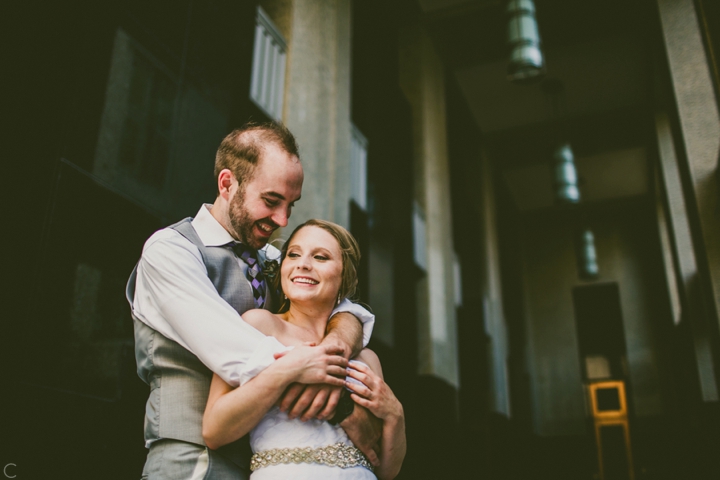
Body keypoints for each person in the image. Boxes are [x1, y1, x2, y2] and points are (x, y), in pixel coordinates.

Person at [126, 122, 380, 479]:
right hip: (192, 460)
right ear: (227, 183)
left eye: (291, 205)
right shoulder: (170, 251)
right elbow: (239, 352)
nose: (281, 220)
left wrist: (337, 344)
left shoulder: (273, 260)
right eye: (271, 201)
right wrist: (342, 406)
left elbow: (346, 308)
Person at [203, 219, 406, 479]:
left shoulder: (366, 357)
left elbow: (387, 470)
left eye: (320, 257)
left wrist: (395, 415)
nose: (303, 264)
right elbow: (214, 431)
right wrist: (287, 371)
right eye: (294, 254)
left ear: (345, 276)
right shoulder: (258, 324)